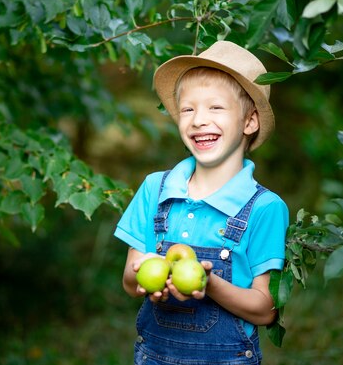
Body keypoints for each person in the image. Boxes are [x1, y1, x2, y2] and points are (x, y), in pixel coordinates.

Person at [114, 41, 289, 365]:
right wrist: (147, 276)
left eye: (215, 108)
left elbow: (266, 308)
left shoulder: (265, 208)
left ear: (250, 122)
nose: (198, 120)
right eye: (188, 109)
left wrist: (209, 284)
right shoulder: (156, 189)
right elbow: (129, 280)